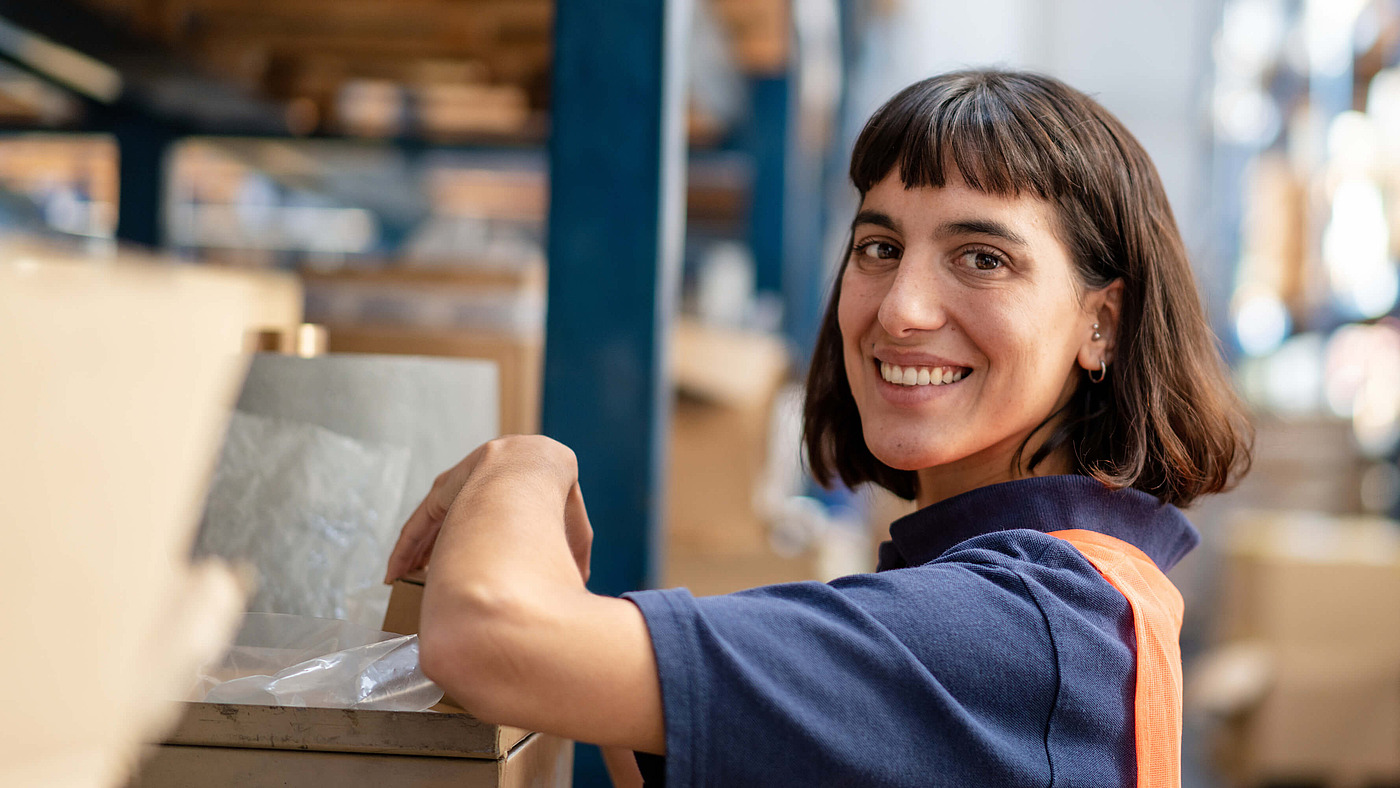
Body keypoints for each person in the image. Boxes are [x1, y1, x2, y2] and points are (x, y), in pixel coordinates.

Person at [384, 69, 1252, 787]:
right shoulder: (1085, 589)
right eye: (879, 247)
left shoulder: (1013, 626)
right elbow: (655, 728)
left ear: (1101, 323)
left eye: (982, 258)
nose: (902, 309)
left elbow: (484, 637)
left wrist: (525, 461)